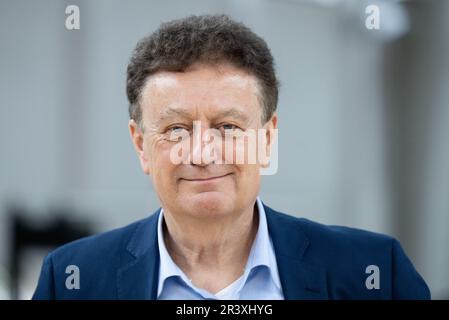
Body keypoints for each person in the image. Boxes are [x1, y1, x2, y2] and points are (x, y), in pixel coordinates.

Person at [33, 14, 430, 300]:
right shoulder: (74, 281)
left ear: (267, 137)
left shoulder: (375, 274)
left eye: (228, 127)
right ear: (141, 145)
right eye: (176, 129)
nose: (203, 153)